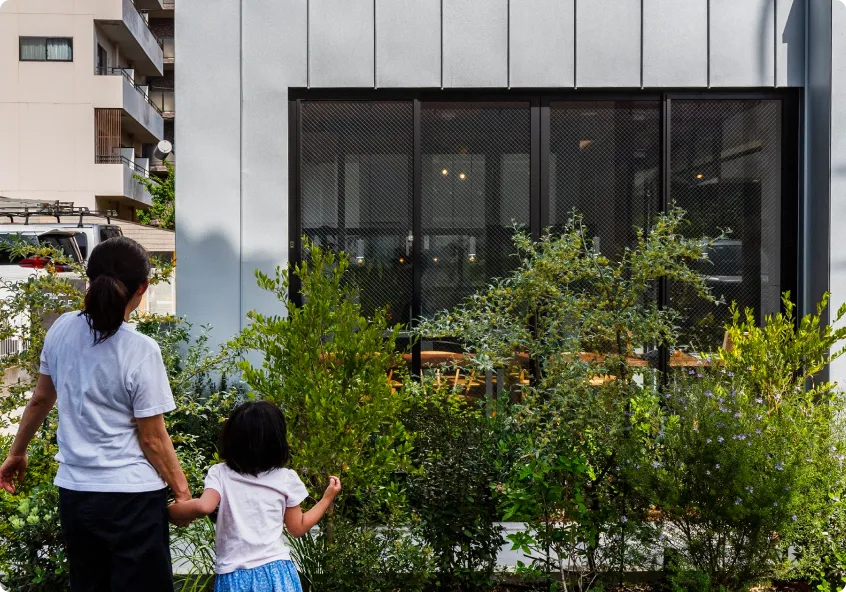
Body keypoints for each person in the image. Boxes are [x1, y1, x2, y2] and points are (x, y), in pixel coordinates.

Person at [0, 237, 191, 591]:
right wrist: (182, 493)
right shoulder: (141, 349)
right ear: (143, 288)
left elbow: (41, 400)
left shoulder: (60, 331)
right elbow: (151, 437)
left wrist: (17, 452)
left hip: (78, 496)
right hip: (133, 500)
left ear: (89, 280)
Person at [168, 401, 342, 592]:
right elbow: (297, 527)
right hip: (278, 573)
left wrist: (168, 511)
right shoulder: (286, 478)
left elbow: (204, 507)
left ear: (232, 439)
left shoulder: (220, 473)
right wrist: (326, 498)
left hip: (235, 576)